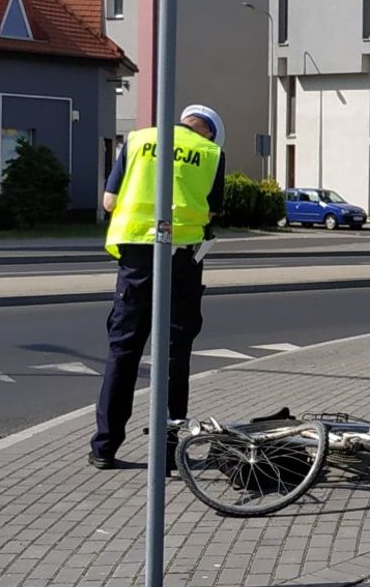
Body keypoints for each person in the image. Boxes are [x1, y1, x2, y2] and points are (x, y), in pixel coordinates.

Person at [89, 105, 226, 471]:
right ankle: (166, 453)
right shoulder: (211, 155)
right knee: (174, 355)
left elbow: (109, 201)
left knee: (123, 352)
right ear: (209, 133)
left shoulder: (136, 140)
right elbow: (212, 213)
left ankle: (105, 447)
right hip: (182, 262)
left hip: (135, 262)